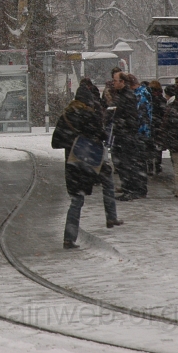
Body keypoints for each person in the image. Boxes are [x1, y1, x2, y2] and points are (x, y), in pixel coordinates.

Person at [53, 79, 121, 250]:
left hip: (72, 163)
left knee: (76, 200)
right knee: (107, 179)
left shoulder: (66, 115)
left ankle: (69, 238)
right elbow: (102, 136)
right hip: (90, 161)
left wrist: (72, 141)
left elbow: (55, 142)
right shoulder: (89, 115)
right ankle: (111, 216)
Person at [108, 71, 144, 201]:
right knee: (122, 163)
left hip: (125, 135)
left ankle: (131, 189)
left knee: (126, 163)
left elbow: (131, 117)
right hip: (121, 134)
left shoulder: (127, 96)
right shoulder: (121, 95)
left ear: (122, 82)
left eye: (115, 80)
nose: (113, 83)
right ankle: (128, 188)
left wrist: (121, 124)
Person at [147, 80, 167, 175]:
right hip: (159, 125)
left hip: (150, 125)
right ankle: (158, 165)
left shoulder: (148, 99)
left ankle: (150, 166)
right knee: (158, 146)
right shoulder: (162, 100)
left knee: (149, 146)